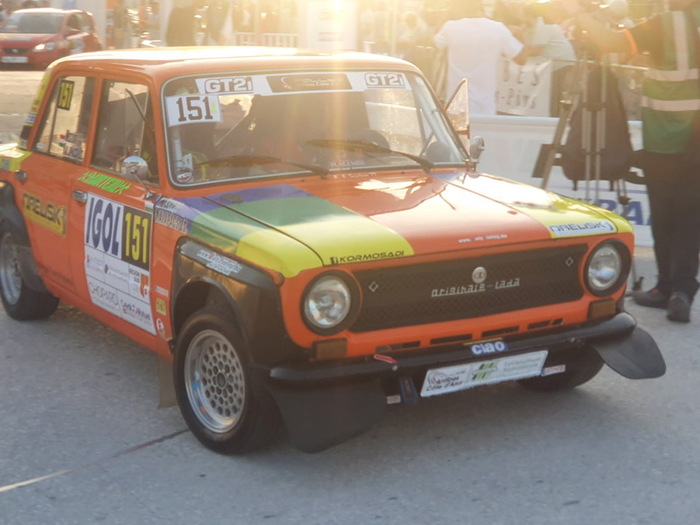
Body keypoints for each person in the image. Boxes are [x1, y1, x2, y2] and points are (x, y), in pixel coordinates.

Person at [552, 0, 700, 322]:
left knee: (665, 216)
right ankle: (682, 291)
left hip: (664, 141)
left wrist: (578, 13)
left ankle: (665, 288)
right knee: (691, 217)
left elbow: (611, 43)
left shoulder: (664, 24)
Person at [433, 0, 528, 115]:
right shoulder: (498, 29)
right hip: (486, 106)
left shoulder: (450, 27)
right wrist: (520, 34)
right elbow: (522, 59)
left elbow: (434, 42)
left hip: (456, 106)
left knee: (455, 127)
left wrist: (445, 15)